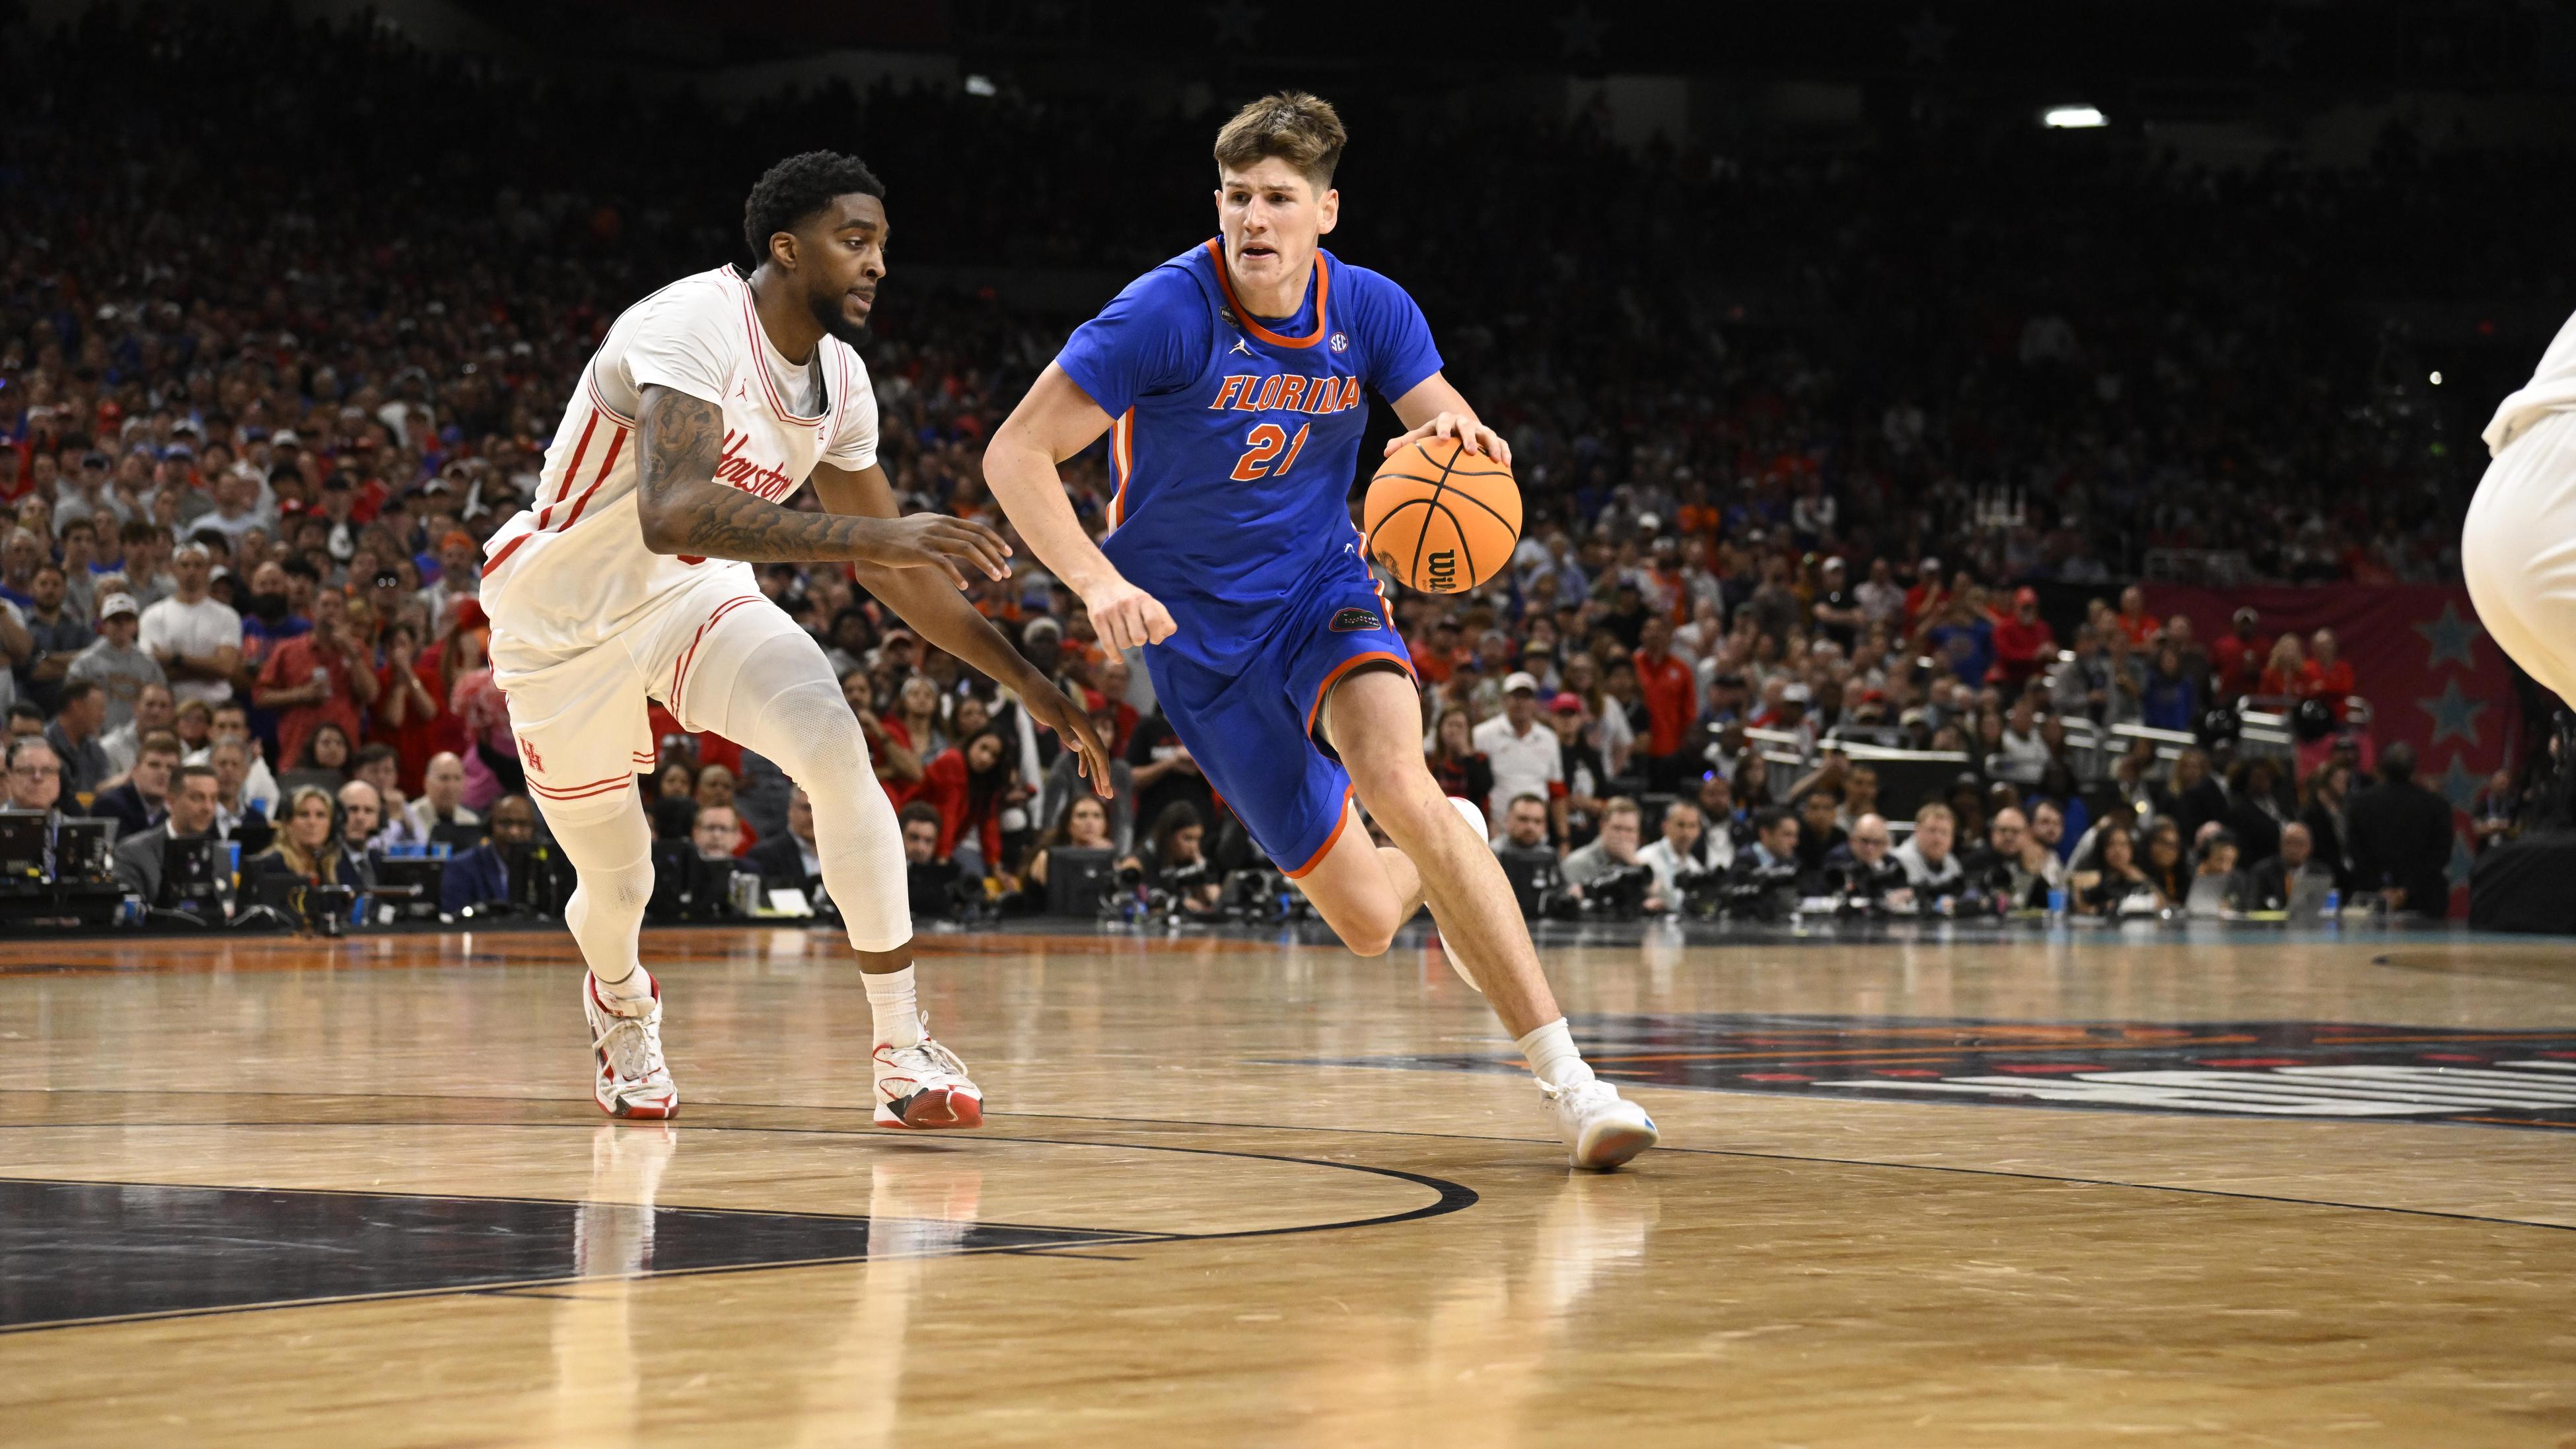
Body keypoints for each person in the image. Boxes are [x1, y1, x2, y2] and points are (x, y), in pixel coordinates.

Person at [978, 94, 1651, 1164]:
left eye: (1280, 198)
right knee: (1372, 920)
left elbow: (1443, 418)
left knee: (1396, 777)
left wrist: (1470, 443)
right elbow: (1015, 454)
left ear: (1325, 211)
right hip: (1191, 638)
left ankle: (1573, 1081)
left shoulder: (1372, 309)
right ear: (1219, 204)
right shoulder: (1163, 312)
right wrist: (1094, 579)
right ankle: (1449, 843)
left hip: (1320, 587)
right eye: (1239, 196)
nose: (1256, 216)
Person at [474, 151, 1108, 1126]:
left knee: (835, 748)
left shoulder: (844, 382)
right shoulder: (688, 323)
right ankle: (622, 1000)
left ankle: (901, 1049)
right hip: (564, 623)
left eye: (883, 245)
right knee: (621, 879)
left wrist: (1031, 682)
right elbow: (674, 511)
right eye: (854, 240)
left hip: (695, 600)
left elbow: (894, 571)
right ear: (785, 246)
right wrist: (876, 533)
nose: (877, 264)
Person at [2345, 742, 2455, 918]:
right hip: (2424, 898)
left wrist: (2381, 889)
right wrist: (2406, 890)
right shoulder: (2437, 806)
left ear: (2382, 768)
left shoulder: (2359, 804)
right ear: (2414, 769)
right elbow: (2440, 855)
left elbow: (2356, 852)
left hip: (2371, 897)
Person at [136, 542, 242, 712]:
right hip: (170, 707)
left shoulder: (227, 616)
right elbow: (150, 672)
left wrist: (174, 659)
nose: (191, 571)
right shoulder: (153, 615)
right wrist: (208, 669)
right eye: (185, 565)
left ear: (208, 570)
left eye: (198, 565)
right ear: (173, 569)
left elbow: (226, 668)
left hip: (216, 707)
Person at [110, 762, 223, 905]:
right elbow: (130, 917)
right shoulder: (134, 852)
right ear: (170, 801)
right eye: (197, 798)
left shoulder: (220, 854)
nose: (208, 808)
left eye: (213, 799)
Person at [1470, 673, 1565, 842]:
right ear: (1505, 700)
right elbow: (1477, 787)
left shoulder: (1549, 738)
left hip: (1537, 834)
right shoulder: (1483, 735)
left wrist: (1565, 839)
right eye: (1516, 697)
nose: (1521, 703)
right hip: (1497, 832)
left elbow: (1557, 791)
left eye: (1527, 697)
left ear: (1535, 703)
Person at [67, 592, 164, 734]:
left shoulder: (148, 665)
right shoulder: (84, 664)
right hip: (94, 737)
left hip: (138, 738)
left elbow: (161, 703)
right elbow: (73, 705)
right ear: (104, 625)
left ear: (136, 625)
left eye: (128, 620)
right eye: (116, 620)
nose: (122, 625)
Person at [248, 785, 372, 894]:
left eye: (320, 815)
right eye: (304, 814)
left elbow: (361, 901)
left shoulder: (335, 865)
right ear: (287, 824)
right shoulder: (268, 866)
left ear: (331, 825)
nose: (312, 822)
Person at [442, 794, 539, 914]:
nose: (514, 832)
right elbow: (452, 919)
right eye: (506, 823)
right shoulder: (461, 867)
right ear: (490, 826)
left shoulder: (542, 868)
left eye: (523, 824)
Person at [89, 731, 180, 839]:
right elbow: (131, 852)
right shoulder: (110, 806)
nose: (164, 773)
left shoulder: (178, 808)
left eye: (171, 768)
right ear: (135, 771)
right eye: (154, 765)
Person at [1635, 799, 1715, 906]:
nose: (1686, 833)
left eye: (1692, 826)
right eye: (1680, 825)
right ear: (1665, 826)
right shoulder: (1645, 858)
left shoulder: (1695, 867)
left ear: (1699, 831)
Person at [1819, 812, 1910, 905]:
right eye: (1865, 841)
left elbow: (1905, 891)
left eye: (1877, 842)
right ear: (1852, 840)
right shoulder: (1837, 859)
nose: (1870, 848)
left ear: (1886, 845)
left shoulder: (1892, 863)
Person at [43, 679, 112, 799]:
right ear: (77, 706)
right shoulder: (43, 744)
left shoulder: (95, 750)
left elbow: (103, 791)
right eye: (99, 708)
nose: (103, 716)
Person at [2071, 823, 2159, 916]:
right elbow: (2081, 910)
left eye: (2123, 844)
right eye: (2111, 844)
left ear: (2132, 849)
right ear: (2102, 849)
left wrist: (2144, 880)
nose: (2118, 850)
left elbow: (2162, 905)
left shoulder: (2140, 875)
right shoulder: (2092, 877)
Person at [2244, 821, 2333, 911]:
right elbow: (2253, 907)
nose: (2293, 849)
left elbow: (2327, 909)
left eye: (2299, 843)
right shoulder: (2263, 872)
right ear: (2280, 845)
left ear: (2310, 846)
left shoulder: (2321, 873)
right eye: (2288, 843)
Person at [1890, 802, 1966, 896]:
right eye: (1932, 830)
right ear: (1917, 831)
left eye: (1944, 833)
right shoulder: (1897, 861)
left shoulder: (1952, 864)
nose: (1937, 839)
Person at [404, 752, 482, 842]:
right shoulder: (409, 819)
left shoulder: (470, 822)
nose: (451, 786)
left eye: (457, 778)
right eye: (444, 778)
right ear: (427, 783)